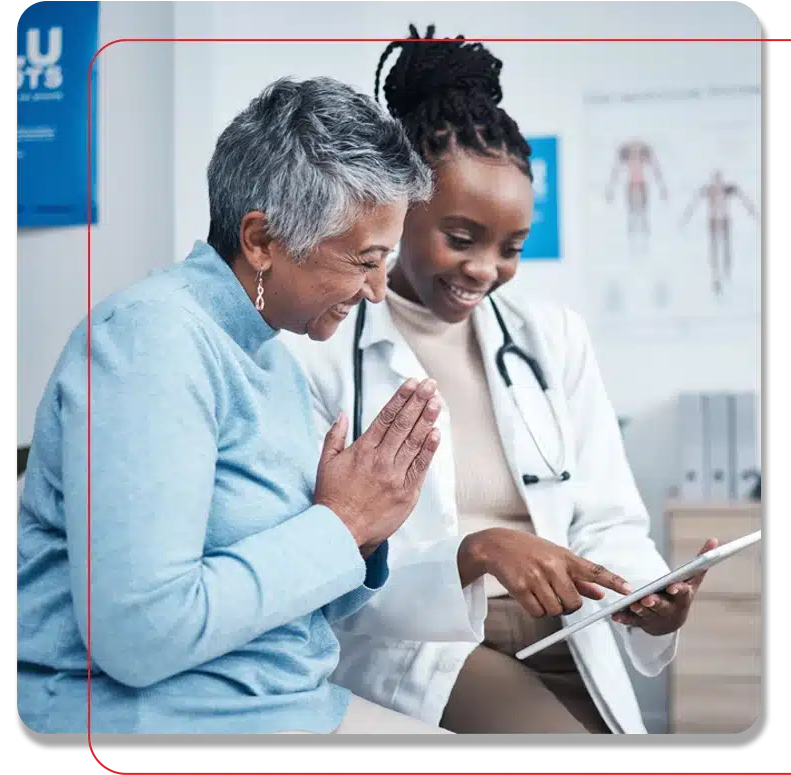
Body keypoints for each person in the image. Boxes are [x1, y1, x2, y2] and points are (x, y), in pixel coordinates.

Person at [281, 26, 716, 734]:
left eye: (510, 248)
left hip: (572, 629)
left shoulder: (552, 338)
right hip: (433, 643)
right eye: (462, 238)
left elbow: (606, 518)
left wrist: (644, 594)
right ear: (400, 206)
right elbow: (322, 563)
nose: (485, 269)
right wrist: (473, 552)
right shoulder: (324, 350)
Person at [17, 76, 464, 735]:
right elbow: (141, 633)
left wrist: (363, 530)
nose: (376, 291)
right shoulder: (152, 342)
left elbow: (288, 602)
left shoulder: (273, 361)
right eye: (365, 260)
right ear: (261, 240)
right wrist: (337, 525)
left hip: (283, 703)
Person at [679, 169, 758, 295]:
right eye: (715, 182)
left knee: (725, 248)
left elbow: (743, 198)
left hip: (724, 221)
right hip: (714, 222)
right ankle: (717, 273)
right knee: (715, 248)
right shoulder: (708, 190)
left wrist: (752, 211)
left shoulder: (727, 189)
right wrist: (686, 217)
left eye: (719, 182)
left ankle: (726, 271)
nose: (717, 186)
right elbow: (694, 204)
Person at [605, 139, 667, 254]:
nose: (635, 153)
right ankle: (632, 237)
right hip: (631, 185)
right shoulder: (627, 159)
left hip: (641, 185)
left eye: (637, 151)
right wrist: (610, 190)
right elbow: (616, 172)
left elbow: (656, 171)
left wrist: (662, 189)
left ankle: (644, 237)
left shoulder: (643, 159)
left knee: (643, 212)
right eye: (632, 151)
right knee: (632, 212)